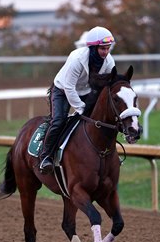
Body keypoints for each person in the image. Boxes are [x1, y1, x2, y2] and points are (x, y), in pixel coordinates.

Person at [39, 26, 116, 174]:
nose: (106, 52)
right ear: (93, 48)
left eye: (108, 48)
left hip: (85, 91)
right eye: (102, 49)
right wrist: (80, 107)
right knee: (59, 121)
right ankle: (46, 156)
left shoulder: (109, 62)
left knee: (97, 120)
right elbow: (69, 87)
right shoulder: (77, 59)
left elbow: (108, 84)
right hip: (62, 90)